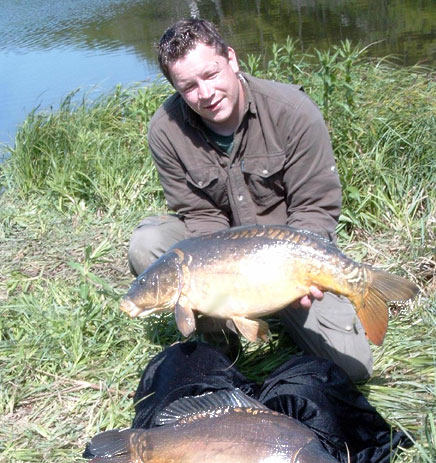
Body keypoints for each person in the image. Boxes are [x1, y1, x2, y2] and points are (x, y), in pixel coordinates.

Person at [127, 18, 372, 382]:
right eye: (189, 86)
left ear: (231, 58)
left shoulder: (292, 110)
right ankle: (219, 339)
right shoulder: (166, 130)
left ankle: (295, 311)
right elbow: (199, 215)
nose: (205, 93)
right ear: (176, 88)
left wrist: (297, 277)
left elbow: (315, 209)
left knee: (354, 370)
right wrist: (220, 286)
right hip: (221, 256)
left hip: (286, 254)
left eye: (210, 74)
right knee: (149, 244)